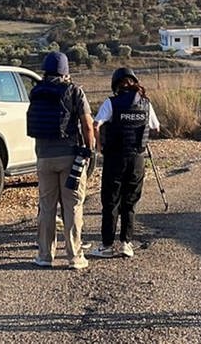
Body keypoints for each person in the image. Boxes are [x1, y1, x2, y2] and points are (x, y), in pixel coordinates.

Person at [27, 51, 96, 269]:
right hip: (69, 156)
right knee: (73, 205)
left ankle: (45, 256)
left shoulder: (36, 92)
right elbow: (86, 124)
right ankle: (75, 256)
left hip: (43, 157)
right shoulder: (74, 91)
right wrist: (90, 150)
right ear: (65, 71)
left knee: (47, 207)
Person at [88, 67, 160, 259]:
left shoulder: (111, 103)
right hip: (137, 158)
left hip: (115, 158)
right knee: (130, 202)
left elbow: (96, 124)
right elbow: (156, 126)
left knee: (111, 202)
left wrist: (99, 146)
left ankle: (107, 245)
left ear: (116, 84)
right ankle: (126, 244)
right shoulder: (146, 103)